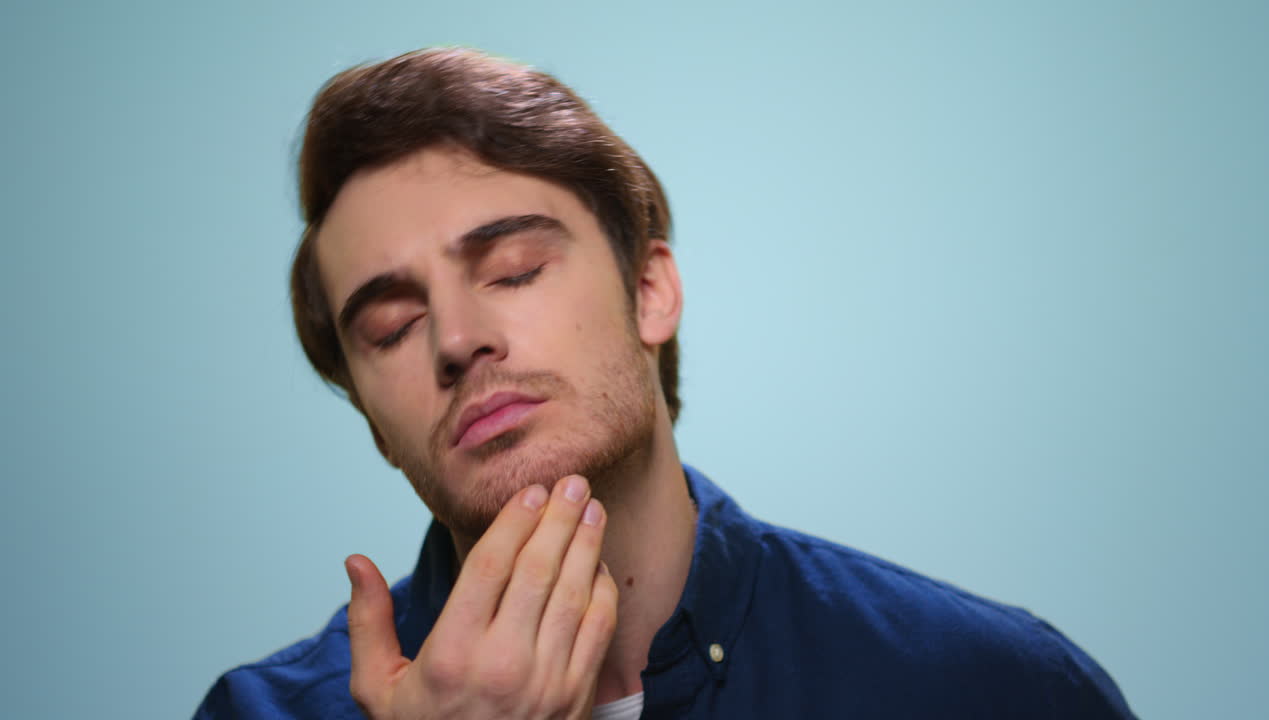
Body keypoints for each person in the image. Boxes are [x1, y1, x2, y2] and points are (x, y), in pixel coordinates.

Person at [195, 47, 1136, 719]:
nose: (457, 339)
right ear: (372, 418)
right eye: (391, 327)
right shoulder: (258, 713)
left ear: (650, 292)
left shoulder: (992, 690)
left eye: (515, 270)